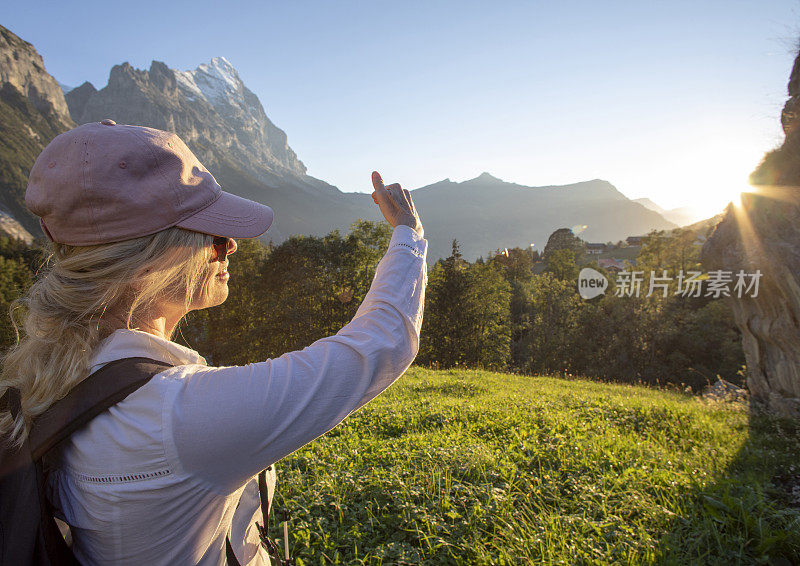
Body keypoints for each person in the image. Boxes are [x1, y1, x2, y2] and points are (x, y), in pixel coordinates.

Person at [0, 120, 427, 565]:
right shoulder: (175, 415)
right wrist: (408, 235)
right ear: (149, 261)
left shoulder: (56, 370)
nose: (232, 247)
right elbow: (378, 345)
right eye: (215, 237)